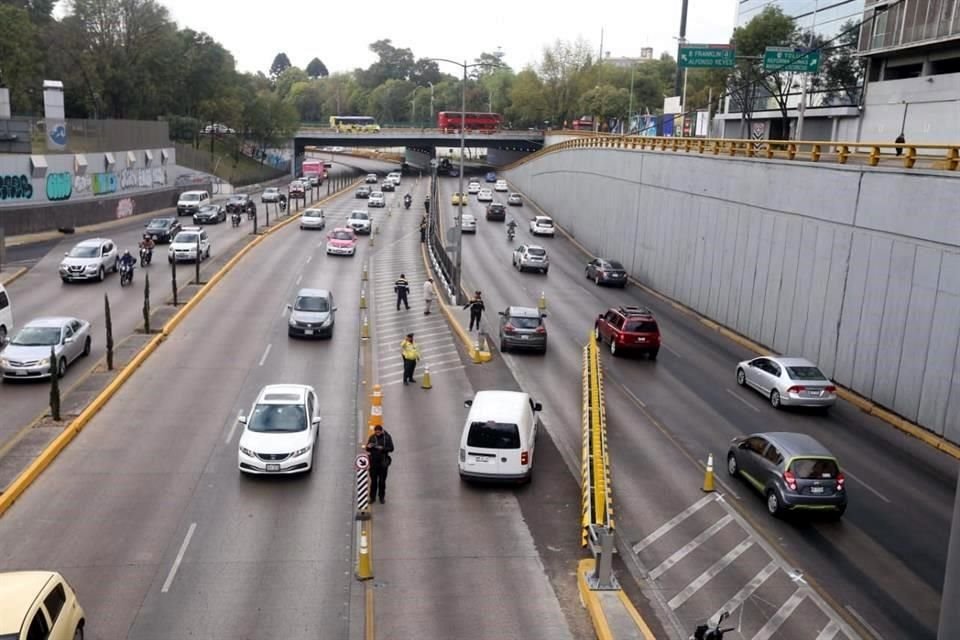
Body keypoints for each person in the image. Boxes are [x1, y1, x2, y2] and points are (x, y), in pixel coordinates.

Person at [365, 424, 394, 504]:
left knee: (382, 481)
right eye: (376, 432)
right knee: (373, 481)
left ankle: (381, 497)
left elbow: (391, 448)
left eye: (379, 432)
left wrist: (383, 448)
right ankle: (372, 497)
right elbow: (367, 449)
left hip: (383, 463)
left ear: (381, 431)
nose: (377, 434)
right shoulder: (372, 437)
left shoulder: (387, 438)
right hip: (373, 463)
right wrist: (369, 446)